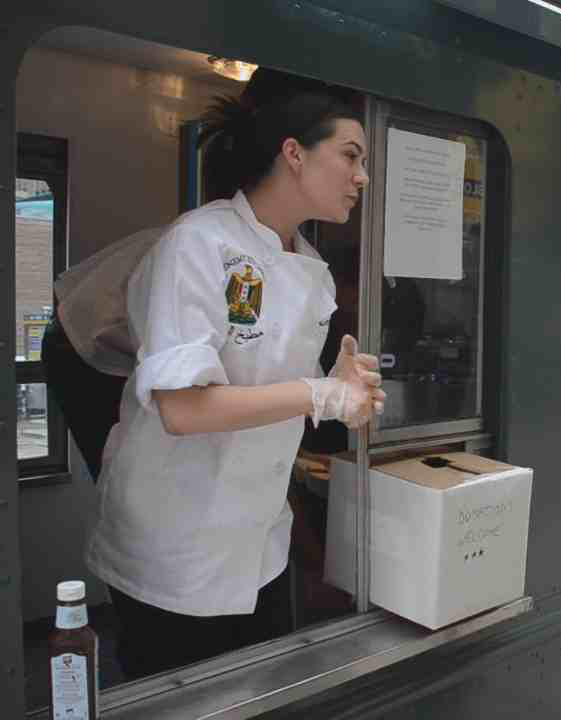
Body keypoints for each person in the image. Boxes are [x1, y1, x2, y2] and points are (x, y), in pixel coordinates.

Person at [80, 71, 386, 679]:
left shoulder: (314, 270)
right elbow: (184, 409)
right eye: (351, 156)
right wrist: (320, 393)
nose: (363, 177)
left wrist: (337, 383)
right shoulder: (198, 243)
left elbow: (267, 390)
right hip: (175, 543)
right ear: (294, 153)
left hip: (258, 540)